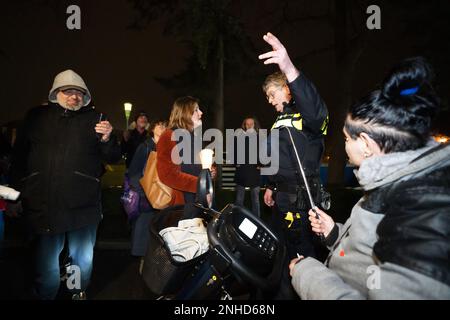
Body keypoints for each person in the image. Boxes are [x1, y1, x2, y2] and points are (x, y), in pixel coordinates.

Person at [289, 57, 450, 299]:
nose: (344, 146)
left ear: (365, 144)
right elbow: (367, 252)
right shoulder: (397, 180)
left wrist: (307, 273)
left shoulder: (423, 214)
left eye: (345, 139)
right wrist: (335, 234)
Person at [7, 69, 121, 300]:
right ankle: (45, 294)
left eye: (79, 92)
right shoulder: (36, 117)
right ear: (55, 93)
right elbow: (19, 159)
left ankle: (75, 292)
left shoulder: (95, 119)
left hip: (83, 206)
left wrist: (108, 139)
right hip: (44, 204)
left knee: (81, 260)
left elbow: (112, 157)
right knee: (46, 263)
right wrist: (14, 196)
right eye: (67, 91)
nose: (74, 96)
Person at [258, 33, 329, 298]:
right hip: (281, 202)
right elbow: (278, 159)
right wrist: (269, 186)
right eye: (266, 96)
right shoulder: (279, 122)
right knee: (281, 257)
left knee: (305, 262)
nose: (269, 100)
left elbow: (317, 111)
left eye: (272, 93)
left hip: (303, 206)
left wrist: (288, 67)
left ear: (288, 88)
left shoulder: (306, 118)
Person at [156, 96, 214, 208]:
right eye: (196, 110)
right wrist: (200, 185)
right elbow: (167, 175)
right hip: (181, 205)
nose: (201, 113)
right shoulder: (168, 136)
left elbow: (196, 166)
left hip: (198, 201)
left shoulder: (194, 137)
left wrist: (209, 172)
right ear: (185, 113)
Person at [127, 119, 167, 271]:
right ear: (153, 129)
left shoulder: (167, 147)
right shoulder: (145, 147)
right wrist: (142, 192)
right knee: (144, 231)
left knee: (157, 232)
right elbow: (134, 172)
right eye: (159, 124)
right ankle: (144, 267)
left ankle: (154, 264)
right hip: (146, 197)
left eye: (165, 126)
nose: (162, 128)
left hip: (161, 196)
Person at [234, 117, 262, 217]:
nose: (249, 126)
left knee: (255, 199)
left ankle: (257, 220)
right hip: (242, 171)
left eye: (251, 124)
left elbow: (264, 153)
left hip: (254, 172)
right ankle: (237, 218)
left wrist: (260, 164)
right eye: (247, 124)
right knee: (239, 199)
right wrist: (236, 163)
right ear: (244, 126)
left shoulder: (260, 137)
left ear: (255, 125)